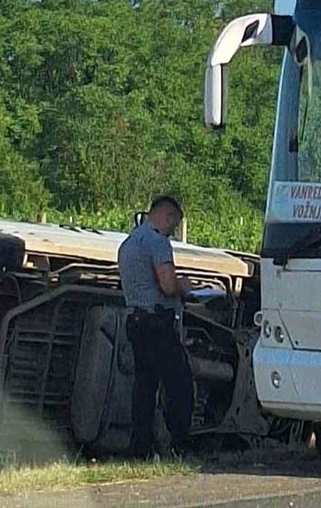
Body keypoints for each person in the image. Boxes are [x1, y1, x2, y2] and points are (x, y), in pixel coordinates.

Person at [117, 196, 194, 458]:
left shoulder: (129, 243)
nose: (173, 230)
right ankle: (179, 445)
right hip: (157, 323)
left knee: (144, 387)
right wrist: (185, 286)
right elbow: (168, 286)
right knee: (179, 384)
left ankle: (141, 448)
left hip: (135, 321)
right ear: (167, 216)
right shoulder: (157, 242)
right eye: (174, 223)